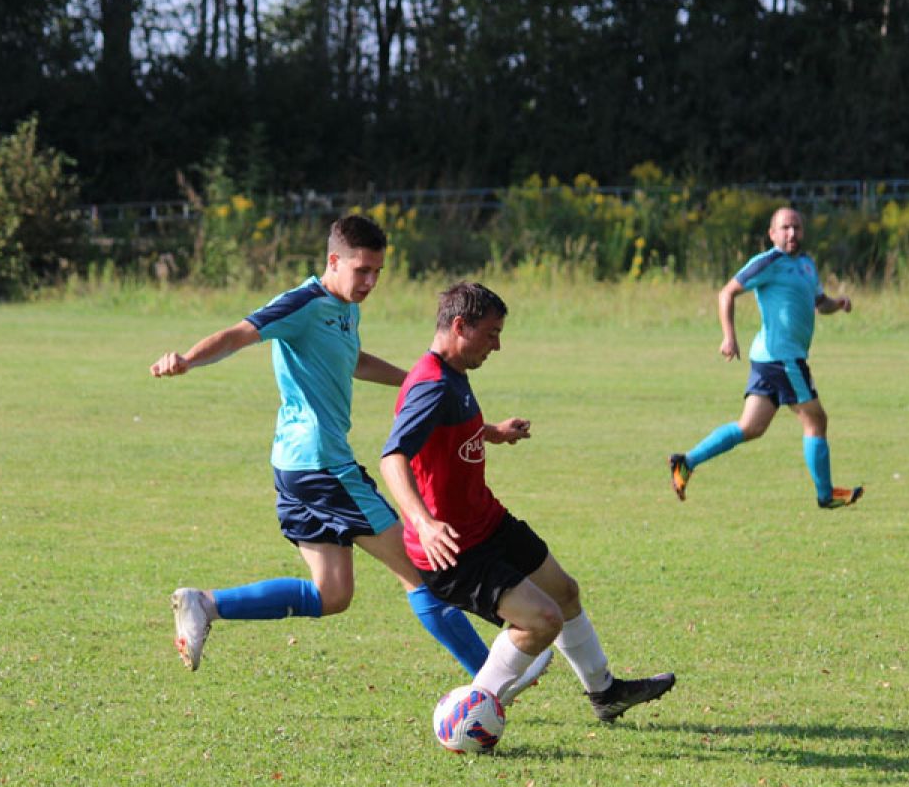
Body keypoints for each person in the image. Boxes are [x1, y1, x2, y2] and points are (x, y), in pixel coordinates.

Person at [152, 215, 551, 697]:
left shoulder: (345, 309)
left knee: (332, 594)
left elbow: (355, 360)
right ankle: (489, 680)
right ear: (333, 261)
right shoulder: (302, 303)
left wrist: (422, 383)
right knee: (422, 567)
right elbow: (241, 333)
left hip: (297, 468)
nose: (370, 282)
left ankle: (206, 603)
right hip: (323, 466)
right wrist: (188, 360)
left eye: (377, 272)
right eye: (361, 270)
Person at [379, 282, 675, 723]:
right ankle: (469, 714)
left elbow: (447, 436)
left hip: (487, 522)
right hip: (453, 549)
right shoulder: (431, 385)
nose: (498, 345)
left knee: (565, 591)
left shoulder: (451, 374)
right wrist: (422, 522)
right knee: (542, 621)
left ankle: (605, 694)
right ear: (460, 326)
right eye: (492, 333)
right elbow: (393, 458)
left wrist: (493, 432)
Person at [668, 207, 863, 509]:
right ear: (772, 234)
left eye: (796, 227)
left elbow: (818, 302)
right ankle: (826, 495)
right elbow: (727, 293)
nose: (792, 233)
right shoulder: (768, 262)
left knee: (750, 427)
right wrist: (729, 336)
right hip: (783, 359)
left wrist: (837, 304)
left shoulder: (807, 265)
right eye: (785, 228)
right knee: (816, 420)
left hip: (770, 359)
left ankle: (686, 462)